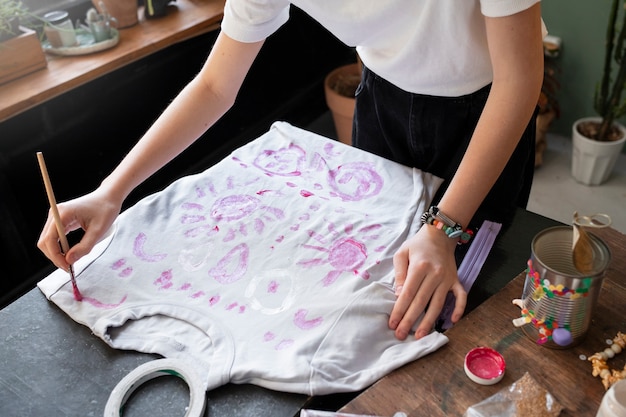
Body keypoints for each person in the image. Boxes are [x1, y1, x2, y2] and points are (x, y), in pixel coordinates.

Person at [38, 1, 544, 341]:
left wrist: (444, 227)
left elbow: (520, 80)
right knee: (382, 302)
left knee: (471, 310)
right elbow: (216, 85)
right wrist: (112, 191)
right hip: (383, 101)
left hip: (487, 112)